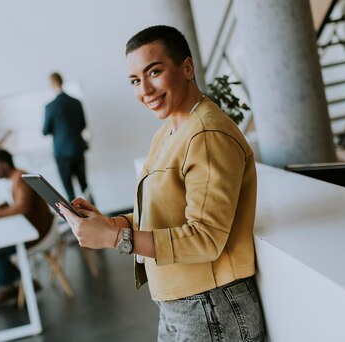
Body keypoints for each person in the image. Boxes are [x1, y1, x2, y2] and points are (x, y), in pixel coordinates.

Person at [58, 26, 266, 341]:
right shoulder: (169, 131)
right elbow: (162, 215)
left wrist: (116, 238)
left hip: (211, 306)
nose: (145, 90)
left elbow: (206, 238)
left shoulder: (207, 134)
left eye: (154, 72)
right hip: (183, 305)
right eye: (134, 81)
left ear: (187, 67)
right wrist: (110, 223)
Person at [0, 149, 53, 304]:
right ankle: (21, 282)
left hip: (38, 234)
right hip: (32, 230)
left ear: (4, 165)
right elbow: (12, 203)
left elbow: (21, 207)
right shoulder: (16, 178)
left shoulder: (20, 179)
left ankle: (9, 286)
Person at [42, 72, 90, 201]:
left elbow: (45, 131)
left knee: (69, 191)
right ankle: (97, 216)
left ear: (51, 84)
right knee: (85, 185)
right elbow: (83, 125)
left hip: (61, 153)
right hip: (77, 148)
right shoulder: (76, 102)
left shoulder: (50, 106)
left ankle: (75, 219)